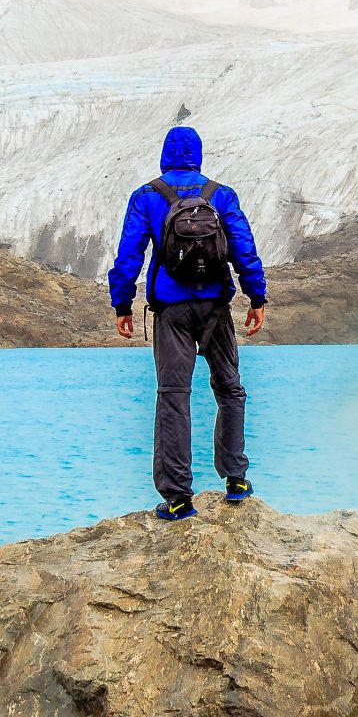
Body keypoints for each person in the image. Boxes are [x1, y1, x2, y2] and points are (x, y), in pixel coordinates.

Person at [108, 125, 267, 519]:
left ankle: (178, 498)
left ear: (165, 154)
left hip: (171, 311)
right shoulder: (220, 195)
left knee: (174, 395)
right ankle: (236, 480)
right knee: (229, 390)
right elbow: (244, 248)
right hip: (215, 306)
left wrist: (122, 304)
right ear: (198, 155)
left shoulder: (147, 196)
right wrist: (257, 296)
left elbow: (129, 255)